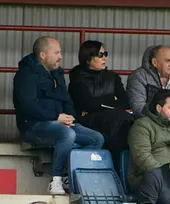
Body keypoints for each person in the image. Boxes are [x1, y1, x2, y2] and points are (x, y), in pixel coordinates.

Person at [13, 36, 105, 195]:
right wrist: (56, 117)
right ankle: (55, 180)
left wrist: (70, 117)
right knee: (67, 134)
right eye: (56, 53)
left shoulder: (57, 73)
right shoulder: (25, 75)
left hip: (61, 122)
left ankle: (69, 176)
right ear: (43, 55)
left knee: (97, 138)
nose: (60, 57)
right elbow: (28, 106)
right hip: (33, 126)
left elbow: (66, 99)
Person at [68, 40, 134, 170]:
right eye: (100, 54)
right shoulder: (77, 78)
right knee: (118, 120)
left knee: (124, 120)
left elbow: (124, 101)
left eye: (105, 54)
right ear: (88, 58)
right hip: (88, 121)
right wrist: (111, 99)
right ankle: (116, 168)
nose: (104, 58)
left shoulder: (112, 77)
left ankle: (119, 169)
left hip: (113, 119)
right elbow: (85, 102)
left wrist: (101, 103)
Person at [127, 89, 170, 190]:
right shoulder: (142, 125)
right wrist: (167, 176)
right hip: (147, 178)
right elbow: (142, 158)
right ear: (159, 108)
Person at [127, 45, 170, 129]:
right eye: (168, 61)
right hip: (150, 128)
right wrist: (163, 125)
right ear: (155, 62)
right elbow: (138, 107)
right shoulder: (139, 76)